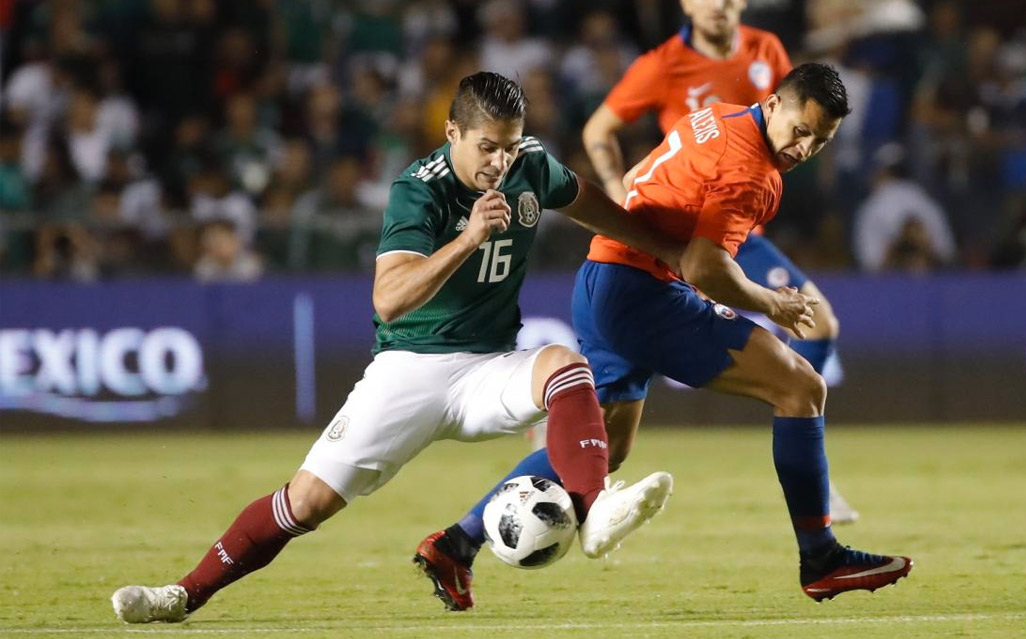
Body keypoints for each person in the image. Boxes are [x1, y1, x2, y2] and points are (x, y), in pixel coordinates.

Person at [109, 72, 678, 623]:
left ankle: (593, 508)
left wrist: (666, 253)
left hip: (489, 367)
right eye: (486, 147)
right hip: (411, 370)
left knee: (565, 367)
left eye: (507, 147)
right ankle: (181, 596)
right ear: (452, 132)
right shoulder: (418, 189)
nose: (499, 162)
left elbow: (589, 205)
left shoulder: (529, 164)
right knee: (304, 504)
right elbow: (388, 299)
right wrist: (468, 237)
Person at [417, 64, 913, 610]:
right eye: (800, 130)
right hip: (642, 294)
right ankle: (821, 557)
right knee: (800, 387)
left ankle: (456, 543)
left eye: (820, 140)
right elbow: (704, 266)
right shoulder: (748, 170)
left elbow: (634, 179)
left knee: (605, 449)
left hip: (603, 279)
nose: (805, 147)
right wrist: (770, 301)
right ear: (773, 106)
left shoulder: (719, 116)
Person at [580, 0, 860, 524]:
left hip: (738, 230)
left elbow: (805, 114)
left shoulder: (766, 50)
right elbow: (598, 131)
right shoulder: (661, 64)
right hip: (685, 230)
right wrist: (626, 202)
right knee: (618, 419)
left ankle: (806, 443)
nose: (719, 5)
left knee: (817, 329)